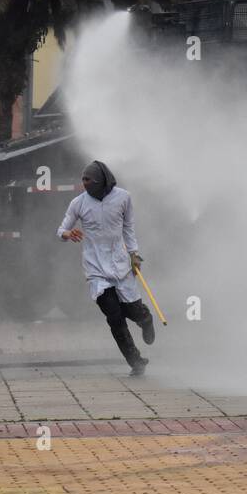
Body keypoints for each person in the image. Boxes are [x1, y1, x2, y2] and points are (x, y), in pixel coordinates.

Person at [58, 160, 154, 375]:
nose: (84, 183)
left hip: (120, 264)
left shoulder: (123, 198)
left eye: (88, 179)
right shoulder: (78, 203)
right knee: (114, 316)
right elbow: (62, 229)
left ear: (102, 181)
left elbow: (128, 227)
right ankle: (136, 362)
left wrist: (134, 254)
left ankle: (145, 319)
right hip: (95, 269)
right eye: (82, 179)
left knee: (132, 310)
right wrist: (67, 233)